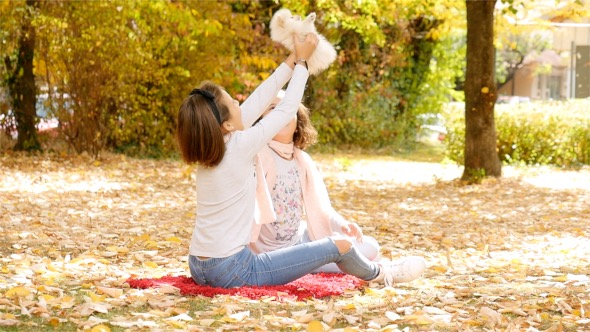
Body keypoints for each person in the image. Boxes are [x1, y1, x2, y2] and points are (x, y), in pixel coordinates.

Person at [177, 32, 426, 289]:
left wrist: (292, 58)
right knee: (338, 246)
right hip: (233, 270)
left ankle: (352, 264)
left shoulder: (216, 150)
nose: (242, 103)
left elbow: (259, 97)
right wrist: (303, 63)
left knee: (336, 245)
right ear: (227, 123)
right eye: (234, 102)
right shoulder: (240, 146)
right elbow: (287, 108)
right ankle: (383, 273)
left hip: (199, 265)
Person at [251, 93, 415, 274]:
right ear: (260, 120)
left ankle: (358, 261)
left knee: (370, 246)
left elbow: (319, 207)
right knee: (338, 257)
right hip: (272, 252)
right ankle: (381, 270)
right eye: (273, 108)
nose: (282, 112)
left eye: (288, 107)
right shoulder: (258, 155)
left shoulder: (301, 159)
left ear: (298, 120)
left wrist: (342, 224)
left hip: (299, 238)